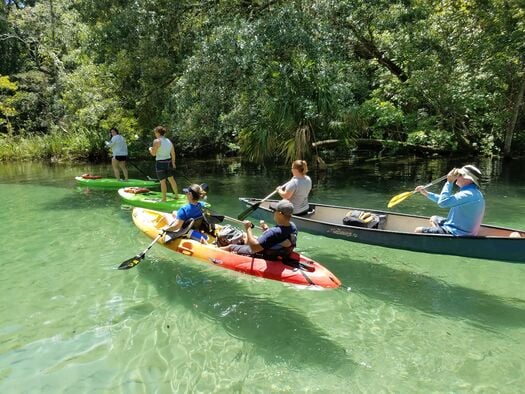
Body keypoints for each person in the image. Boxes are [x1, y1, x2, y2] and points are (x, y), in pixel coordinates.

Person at [414, 164, 485, 236]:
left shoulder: (468, 194)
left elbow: (443, 202)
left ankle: (444, 238)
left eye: (460, 175)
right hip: (458, 228)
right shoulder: (472, 192)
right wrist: (426, 193)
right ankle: (440, 238)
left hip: (459, 232)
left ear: (468, 179)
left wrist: (449, 182)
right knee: (434, 219)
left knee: (418, 231)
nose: (457, 176)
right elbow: (446, 200)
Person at [222, 199, 298, 258]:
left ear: (279, 214)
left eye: (274, 210)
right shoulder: (293, 226)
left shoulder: (274, 232)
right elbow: (278, 237)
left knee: (230, 247)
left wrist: (248, 228)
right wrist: (267, 230)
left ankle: (215, 249)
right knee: (244, 236)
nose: (273, 212)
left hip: (262, 252)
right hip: (279, 251)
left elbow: (254, 248)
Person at [148, 125, 178, 202]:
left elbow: (153, 154)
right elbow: (173, 153)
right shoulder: (169, 141)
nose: (155, 134)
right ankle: (176, 196)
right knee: (172, 180)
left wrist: (150, 149)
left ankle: (164, 199)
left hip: (160, 163)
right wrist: (173, 163)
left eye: (155, 133)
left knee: (162, 182)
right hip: (168, 162)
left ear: (158, 133)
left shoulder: (156, 141)